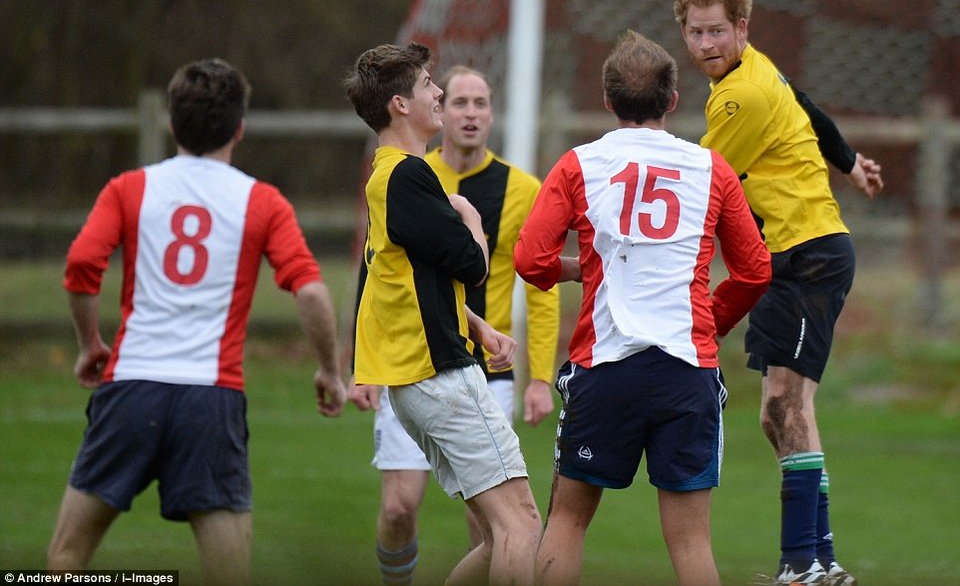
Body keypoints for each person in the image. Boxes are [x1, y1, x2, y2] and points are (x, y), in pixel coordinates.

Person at [46, 58, 347, 586]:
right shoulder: (262, 200)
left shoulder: (129, 188)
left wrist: (90, 343)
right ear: (239, 128)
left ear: (170, 124)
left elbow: (81, 265)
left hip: (130, 387)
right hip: (211, 400)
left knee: (67, 560)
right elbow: (311, 290)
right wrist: (329, 370)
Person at [514, 30, 773, 586]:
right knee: (691, 542)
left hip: (604, 367)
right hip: (686, 369)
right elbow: (755, 271)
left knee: (566, 521)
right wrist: (711, 321)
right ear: (673, 100)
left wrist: (586, 268)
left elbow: (531, 261)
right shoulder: (711, 169)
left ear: (608, 101)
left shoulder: (578, 164)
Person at [673, 0, 884, 586]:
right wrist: (850, 161)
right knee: (781, 412)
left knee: (784, 405)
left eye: (717, 30)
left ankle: (804, 563)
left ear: (742, 28)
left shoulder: (741, 96)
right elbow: (811, 112)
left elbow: (706, 182)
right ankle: (818, 561)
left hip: (804, 256)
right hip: (793, 255)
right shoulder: (759, 71)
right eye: (695, 32)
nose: (707, 43)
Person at [349, 65, 560, 585]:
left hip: (425, 375)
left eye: (477, 101)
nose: (441, 94)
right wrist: (469, 219)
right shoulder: (410, 174)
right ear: (401, 104)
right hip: (440, 373)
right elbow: (472, 265)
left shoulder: (385, 172)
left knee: (495, 533)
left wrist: (478, 326)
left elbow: (400, 280)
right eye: (429, 86)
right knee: (521, 526)